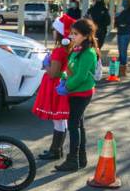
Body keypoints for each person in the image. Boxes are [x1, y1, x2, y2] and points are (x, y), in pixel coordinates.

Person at [53, 18, 99, 172]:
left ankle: (73, 160)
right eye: (71, 33)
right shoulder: (77, 48)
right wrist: (64, 78)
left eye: (76, 34)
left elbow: (81, 77)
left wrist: (67, 86)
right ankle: (81, 157)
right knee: (79, 124)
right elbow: (71, 69)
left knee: (73, 125)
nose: (72, 36)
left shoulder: (88, 52)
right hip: (75, 92)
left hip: (81, 93)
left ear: (86, 36)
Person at [32, 13, 76, 160]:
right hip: (62, 84)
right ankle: (56, 150)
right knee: (61, 120)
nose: (53, 32)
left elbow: (53, 73)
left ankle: (55, 151)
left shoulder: (59, 51)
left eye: (55, 29)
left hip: (55, 86)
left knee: (58, 120)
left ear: (60, 33)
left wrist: (46, 65)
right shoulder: (69, 48)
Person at [114, 0, 130, 78]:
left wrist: (120, 21)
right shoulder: (123, 10)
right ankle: (120, 68)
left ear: (128, 2)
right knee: (121, 50)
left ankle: (123, 69)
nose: (123, 2)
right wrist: (119, 21)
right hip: (120, 32)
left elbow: (126, 21)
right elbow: (117, 21)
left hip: (126, 33)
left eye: (124, 1)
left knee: (123, 50)